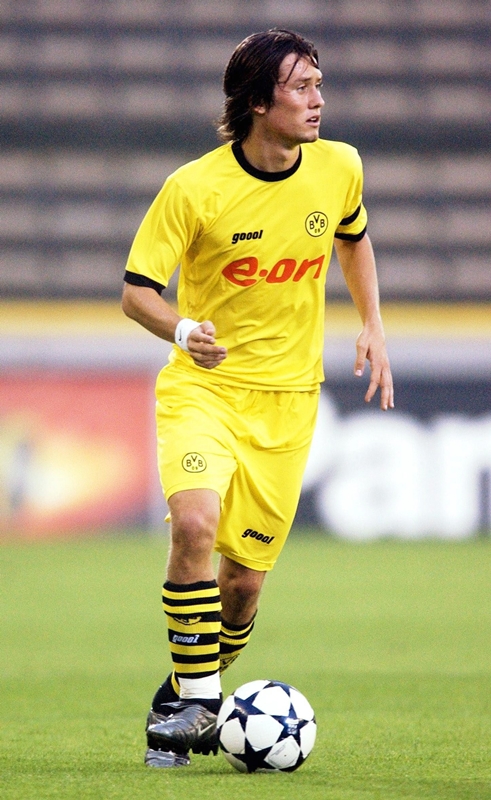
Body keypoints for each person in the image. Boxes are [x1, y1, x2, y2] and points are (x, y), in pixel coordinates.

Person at [122, 28, 394, 768]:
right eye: (301, 87)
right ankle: (203, 703)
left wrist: (371, 322)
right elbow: (136, 292)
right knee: (194, 525)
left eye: (319, 84)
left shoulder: (339, 166)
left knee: (241, 587)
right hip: (203, 389)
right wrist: (183, 330)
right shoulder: (194, 188)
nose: (318, 100)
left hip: (288, 402)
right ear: (256, 102)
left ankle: (179, 696)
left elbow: (352, 238)